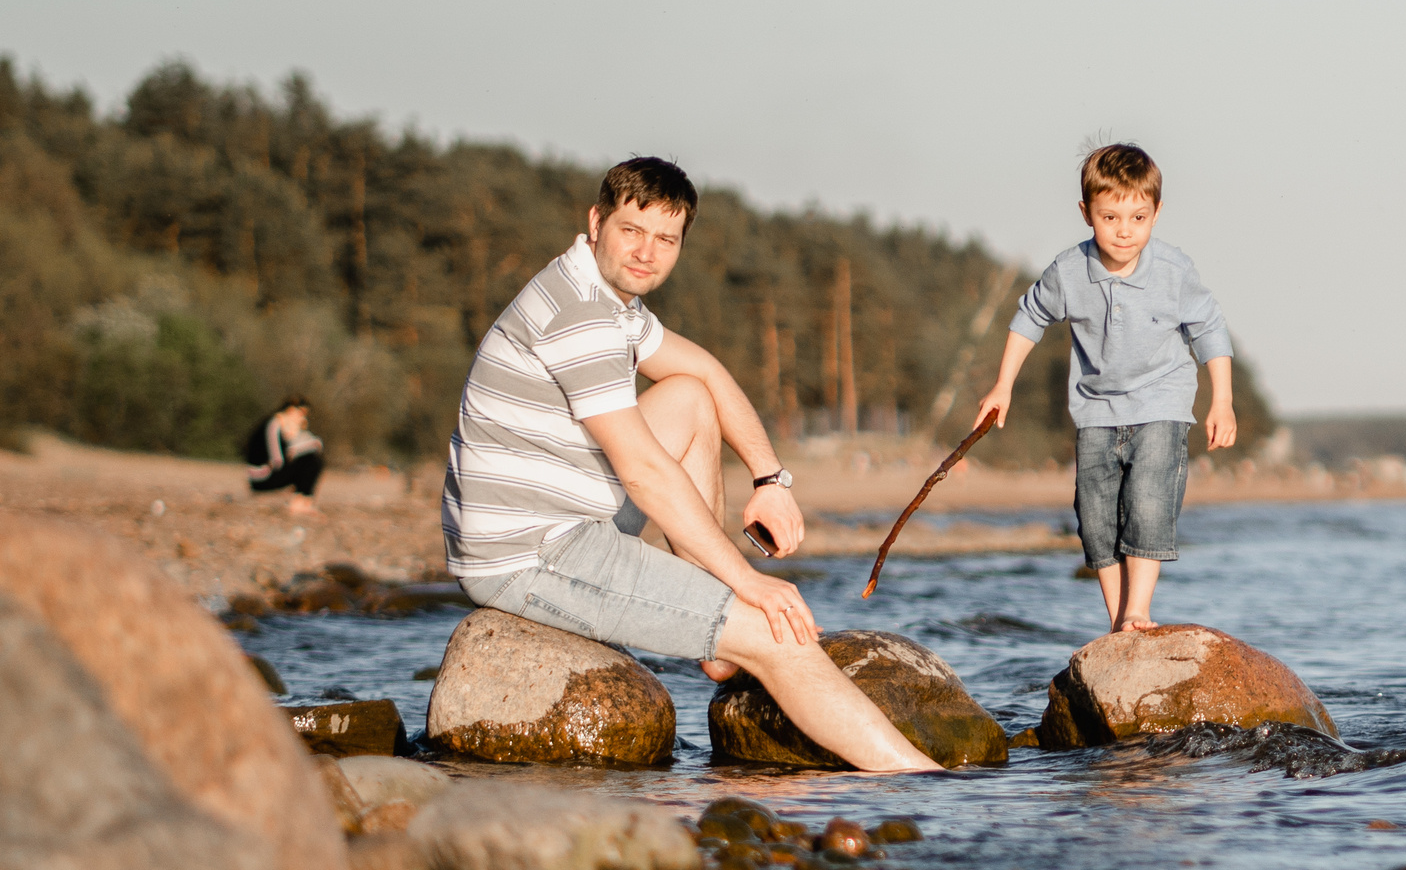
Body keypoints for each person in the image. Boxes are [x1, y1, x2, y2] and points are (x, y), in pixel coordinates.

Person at [439, 156, 941, 773]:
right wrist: (745, 582)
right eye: (631, 230)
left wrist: (770, 479)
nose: (646, 252)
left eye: (666, 239)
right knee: (774, 634)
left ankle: (715, 640)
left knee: (689, 398)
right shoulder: (580, 314)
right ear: (596, 222)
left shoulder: (608, 297)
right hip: (529, 552)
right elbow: (645, 473)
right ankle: (922, 783)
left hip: (566, 512)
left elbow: (703, 370)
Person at [972, 144, 1234, 632]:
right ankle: (1118, 621)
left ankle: (1139, 610)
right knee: (1095, 516)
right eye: (1110, 217)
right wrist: (1002, 385)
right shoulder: (1069, 271)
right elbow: (1029, 318)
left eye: (1138, 217)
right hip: (1095, 408)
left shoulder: (1173, 270)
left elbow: (1210, 329)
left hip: (1162, 401)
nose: (1124, 230)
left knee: (1148, 502)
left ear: (1157, 212)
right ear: (1086, 212)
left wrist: (1223, 400)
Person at [246, 395, 325, 513]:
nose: (303, 418)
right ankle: (299, 501)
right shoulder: (273, 425)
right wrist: (302, 448)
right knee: (311, 460)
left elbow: (309, 444)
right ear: (291, 410)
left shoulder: (284, 426)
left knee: (312, 458)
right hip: (261, 478)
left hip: (268, 474)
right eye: (302, 413)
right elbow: (278, 460)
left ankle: (303, 500)